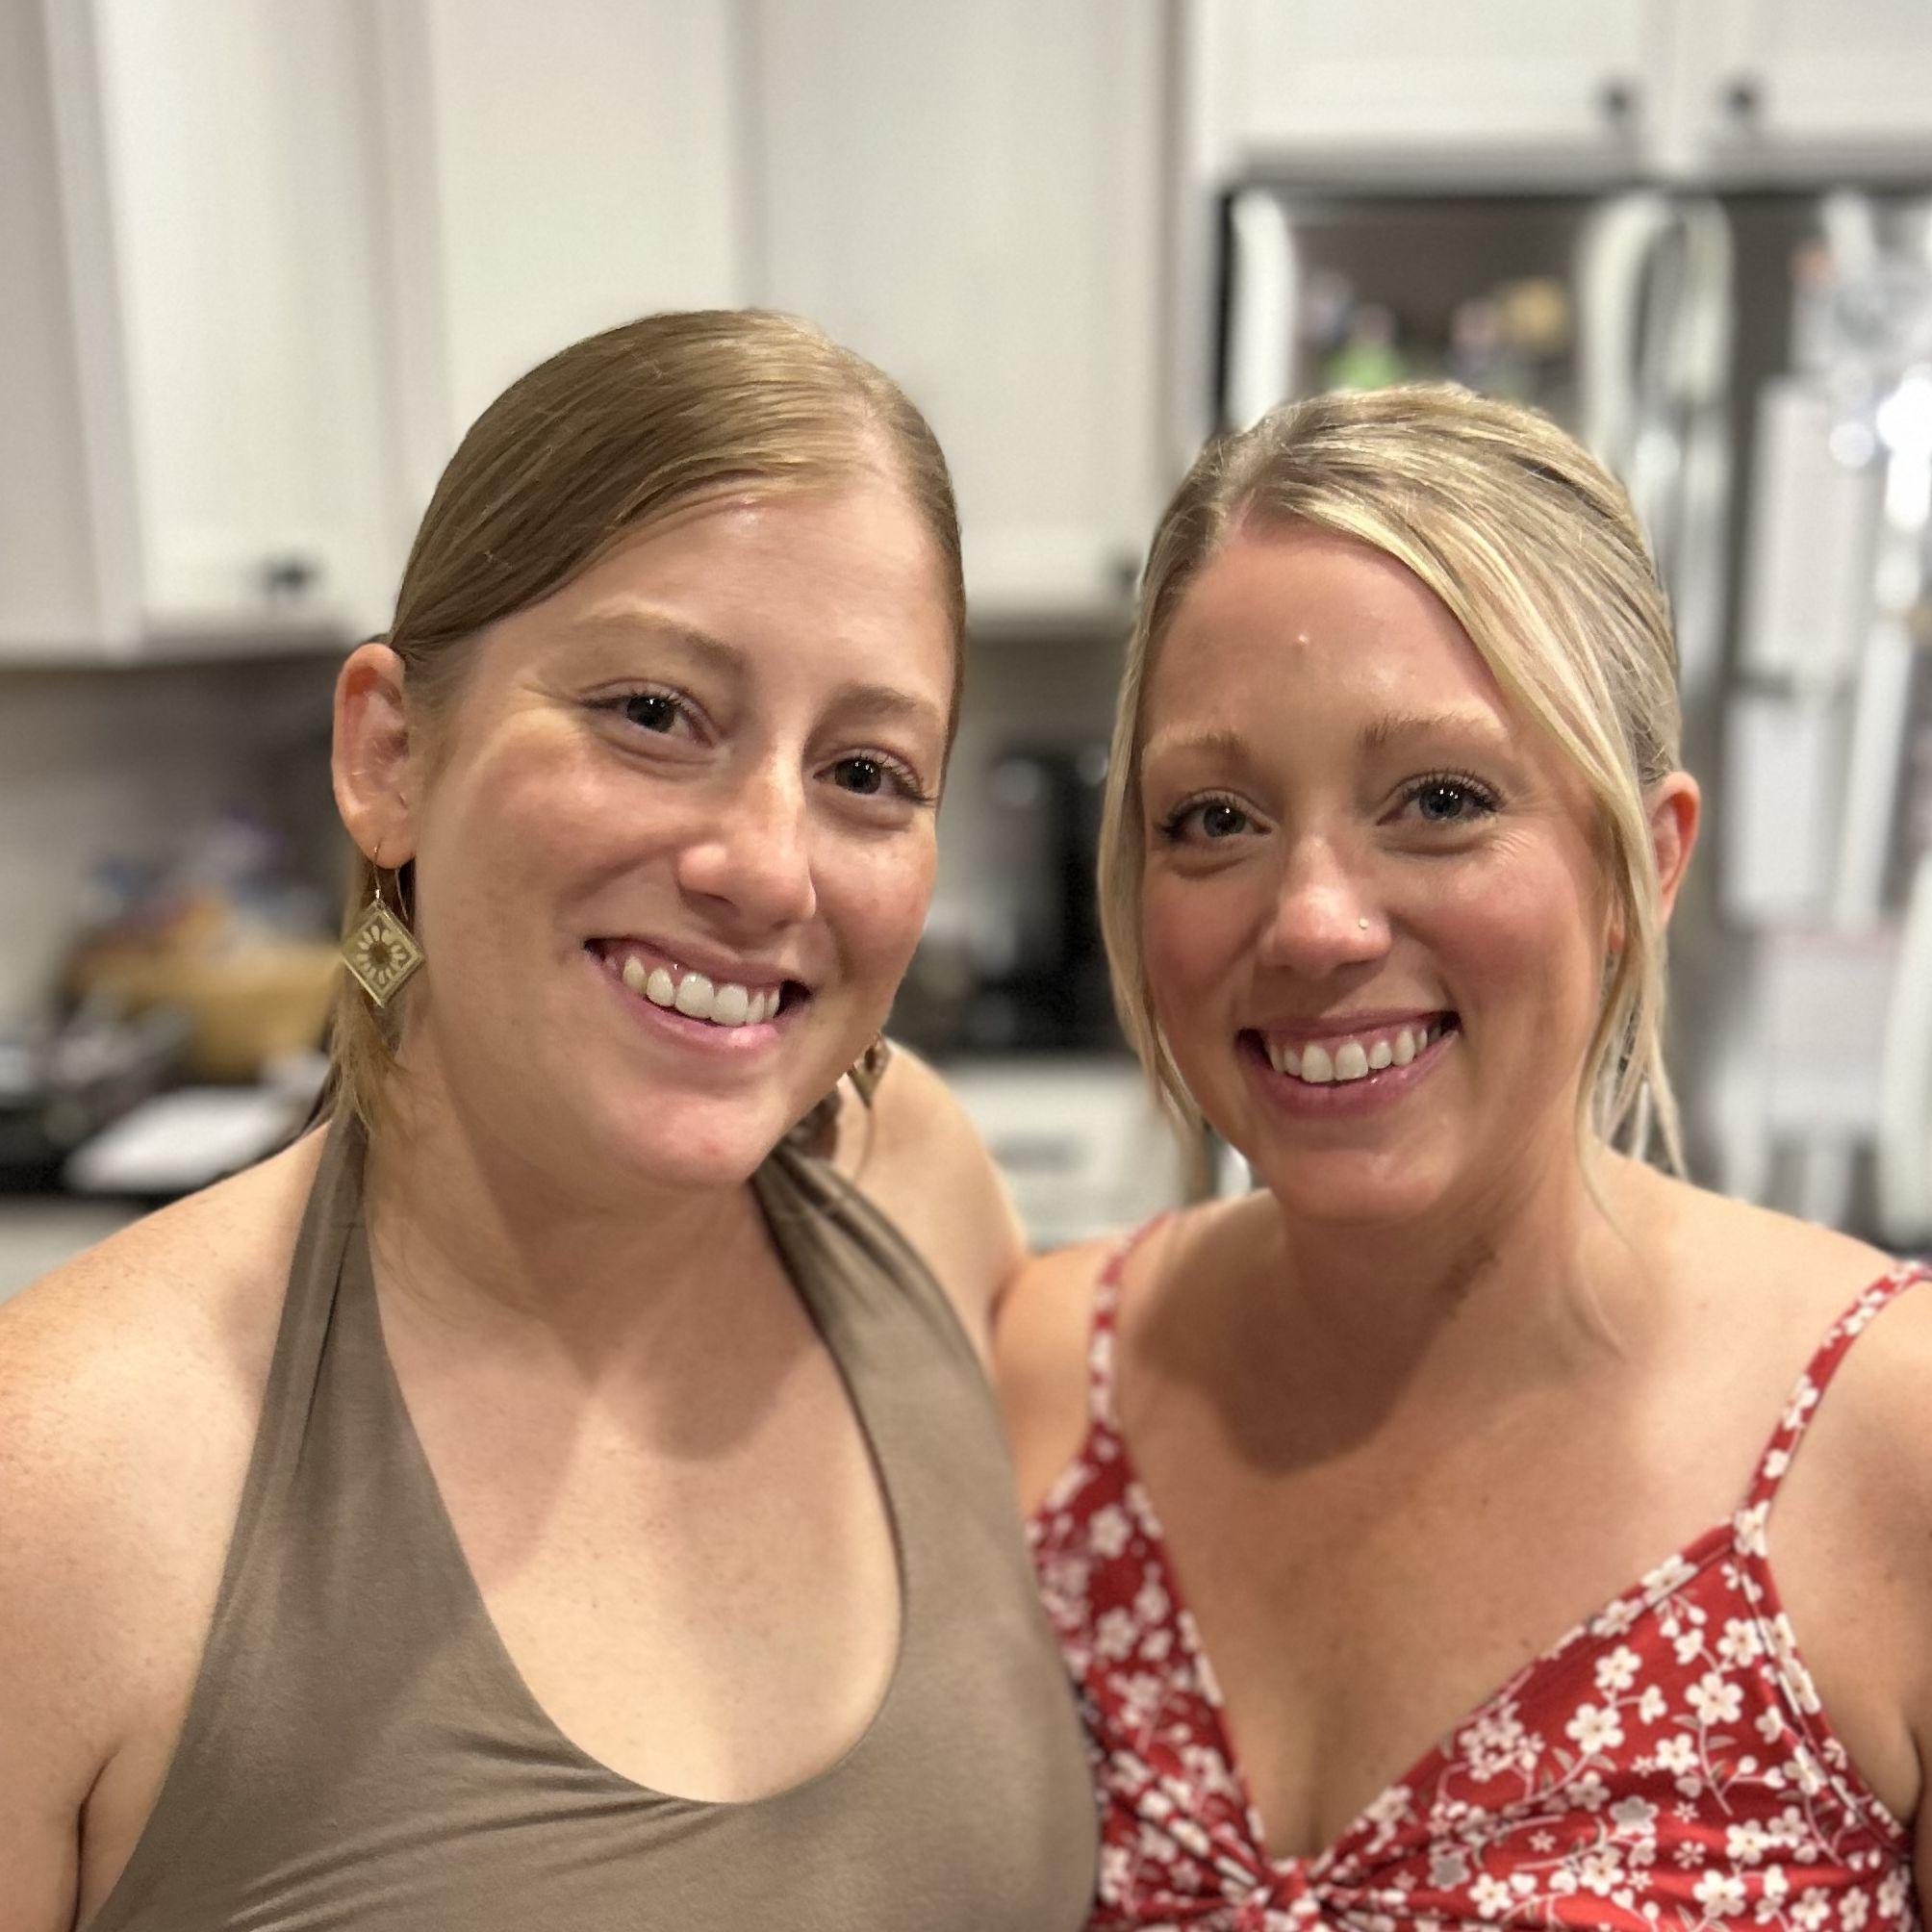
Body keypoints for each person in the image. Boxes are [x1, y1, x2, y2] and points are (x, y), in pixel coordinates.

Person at [0, 310, 1097, 1930]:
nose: (768, 868)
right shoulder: (62, 1479)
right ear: (390, 753)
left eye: (867, 772)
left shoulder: (912, 1190)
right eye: (655, 712)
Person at [998, 385, 1932, 1930]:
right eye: (1215, 817)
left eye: (1441, 800)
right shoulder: (1041, 1380)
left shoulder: (1892, 1444)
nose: (1313, 922)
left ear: (1644, 866)